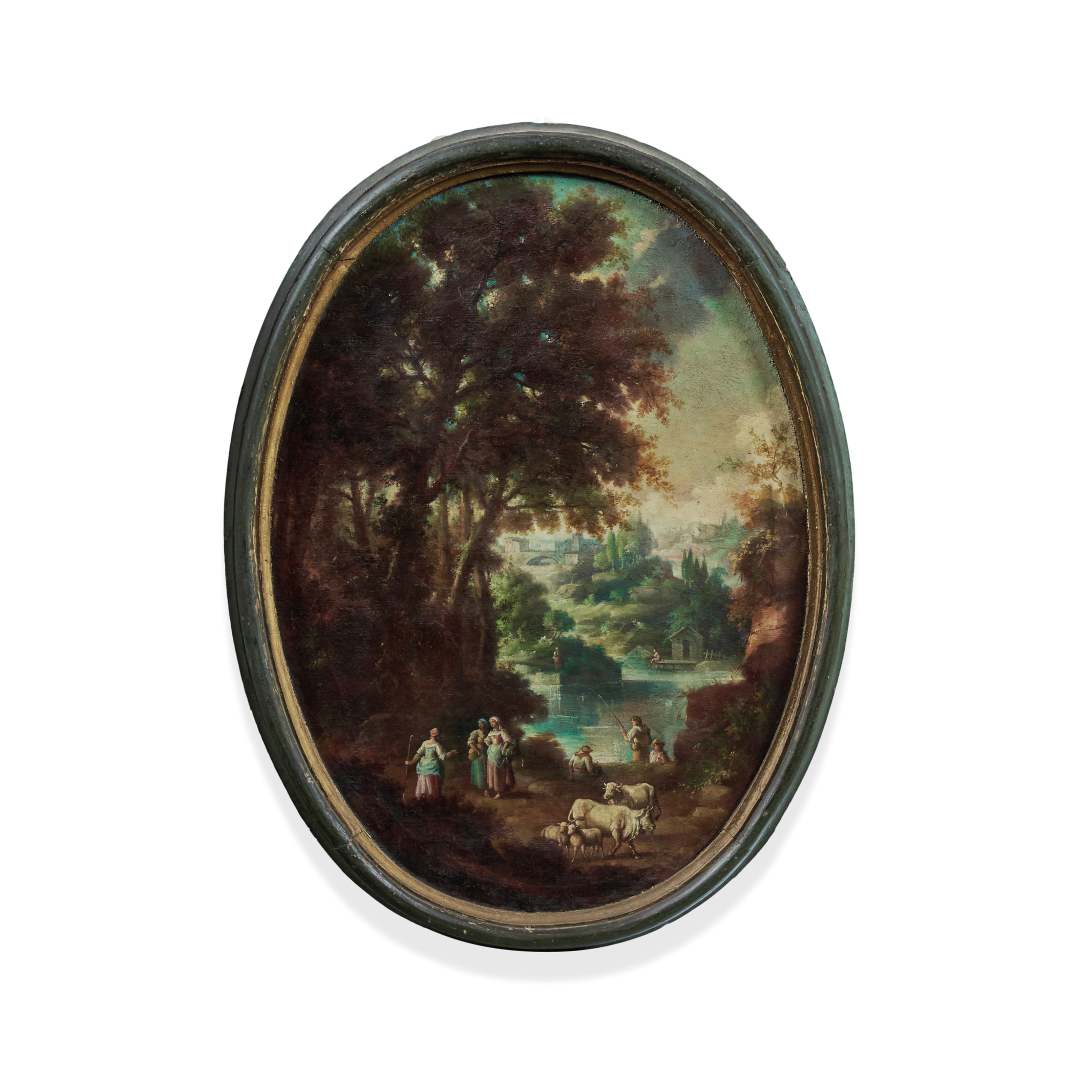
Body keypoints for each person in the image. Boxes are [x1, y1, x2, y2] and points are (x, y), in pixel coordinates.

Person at [405, 727, 456, 801]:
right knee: (432, 786)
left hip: (423, 766)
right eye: (439, 736)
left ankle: (423, 799)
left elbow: (418, 754)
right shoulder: (437, 745)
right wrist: (451, 752)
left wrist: (411, 761)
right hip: (432, 767)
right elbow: (443, 757)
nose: (440, 737)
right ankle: (431, 800)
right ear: (437, 737)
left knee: (423, 784)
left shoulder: (425, 743)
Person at [466, 718, 490, 792]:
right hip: (478, 755)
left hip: (487, 753)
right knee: (480, 771)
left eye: (482, 723)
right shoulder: (476, 732)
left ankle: (487, 788)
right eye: (479, 723)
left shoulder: (489, 732)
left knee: (487, 771)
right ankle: (483, 789)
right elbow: (470, 743)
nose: (480, 725)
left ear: (485, 724)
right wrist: (477, 750)